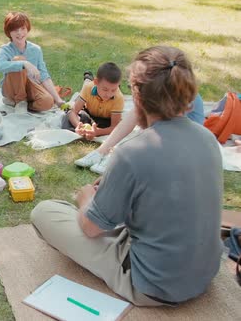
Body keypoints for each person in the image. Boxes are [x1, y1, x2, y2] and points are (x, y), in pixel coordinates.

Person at [31, 46, 223, 306]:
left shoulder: (133, 153)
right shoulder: (208, 139)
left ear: (137, 97)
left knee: (45, 212)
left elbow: (91, 228)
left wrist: (87, 200)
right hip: (204, 272)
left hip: (151, 284)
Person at [75, 93, 205, 174]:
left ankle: (116, 156)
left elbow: (160, 130)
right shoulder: (163, 89)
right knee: (138, 110)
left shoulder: (178, 94)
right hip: (166, 137)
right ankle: (102, 151)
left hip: (183, 146)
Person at [0, 11, 65, 112]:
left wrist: (58, 100)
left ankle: (18, 103)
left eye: (23, 28)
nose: (19, 33)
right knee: (18, 60)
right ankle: (19, 101)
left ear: (27, 29)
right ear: (9, 32)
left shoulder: (36, 49)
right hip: (11, 89)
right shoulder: (5, 49)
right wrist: (25, 64)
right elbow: (0, 66)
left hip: (30, 86)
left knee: (48, 102)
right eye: (15, 30)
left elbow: (44, 75)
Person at [62, 63, 124, 139]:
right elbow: (73, 111)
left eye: (113, 90)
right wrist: (78, 126)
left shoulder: (119, 98)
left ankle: (88, 79)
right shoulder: (88, 88)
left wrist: (97, 132)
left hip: (106, 120)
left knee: (120, 128)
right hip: (88, 113)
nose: (108, 94)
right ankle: (87, 79)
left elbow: (114, 127)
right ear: (96, 82)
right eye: (105, 89)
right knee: (67, 116)